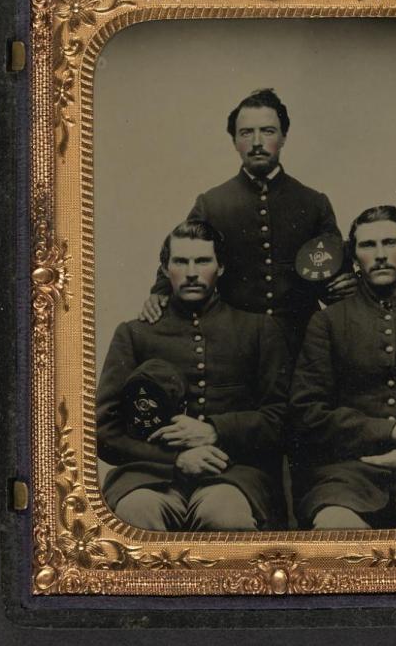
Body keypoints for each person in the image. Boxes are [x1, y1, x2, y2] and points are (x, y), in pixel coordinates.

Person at [97, 220, 290, 531]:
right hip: (150, 475)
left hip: (233, 474)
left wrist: (215, 430)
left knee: (225, 516)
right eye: (180, 261)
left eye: (202, 261)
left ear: (221, 267)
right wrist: (174, 459)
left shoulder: (257, 330)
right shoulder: (134, 334)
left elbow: (281, 419)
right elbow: (104, 432)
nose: (191, 272)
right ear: (164, 268)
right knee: (136, 514)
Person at [140, 89, 356, 355]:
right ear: (234, 141)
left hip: (302, 344)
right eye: (246, 133)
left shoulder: (313, 203)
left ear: (283, 137)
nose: (257, 142)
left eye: (267, 131)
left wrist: (346, 282)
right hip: (232, 346)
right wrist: (160, 292)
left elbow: (337, 268)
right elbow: (183, 251)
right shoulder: (211, 203)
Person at [289, 206, 396, 530]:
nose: (380, 254)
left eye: (390, 243)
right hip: (348, 477)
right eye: (368, 245)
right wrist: (390, 431)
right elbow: (306, 412)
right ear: (353, 256)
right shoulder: (327, 323)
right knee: (334, 525)